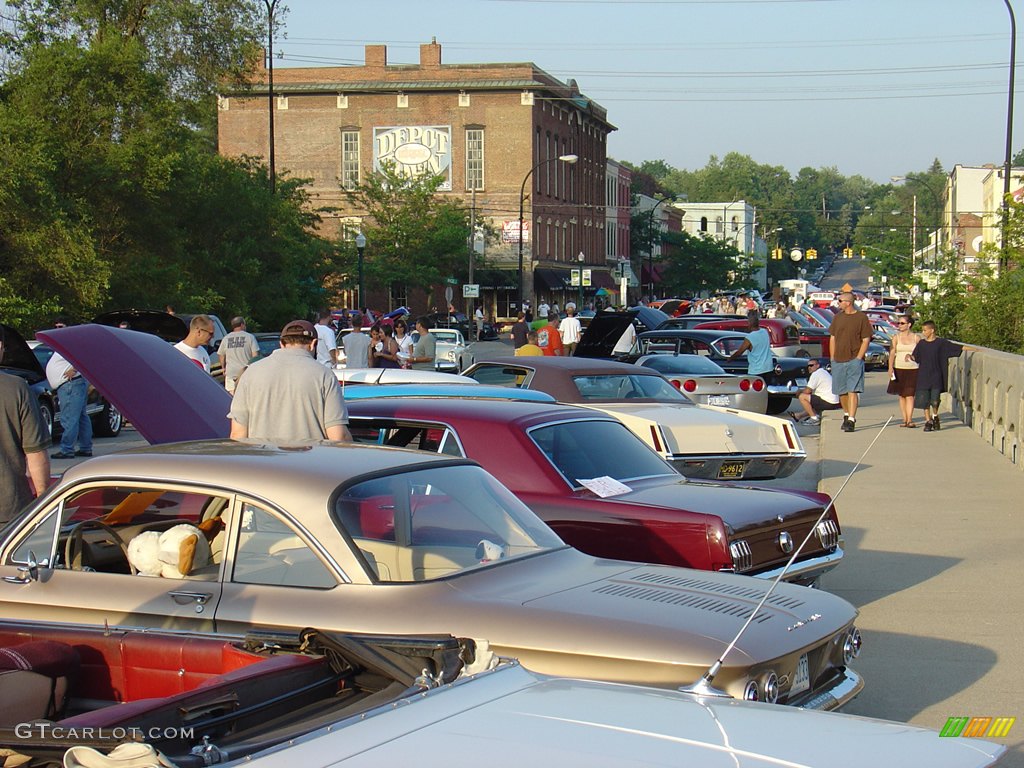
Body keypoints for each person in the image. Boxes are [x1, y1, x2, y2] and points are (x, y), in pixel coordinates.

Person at [229, 320, 350, 442]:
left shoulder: (250, 373)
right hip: (309, 459)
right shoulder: (325, 375)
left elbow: (237, 434)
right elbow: (338, 436)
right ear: (313, 344)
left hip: (262, 459)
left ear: (281, 343)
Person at [0, 340, 51, 523]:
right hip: (9, 509)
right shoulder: (17, 388)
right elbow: (36, 453)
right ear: (0, 347)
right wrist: (44, 500)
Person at [910, 320, 966, 432]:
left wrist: (974, 350)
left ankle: (935, 416)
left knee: (935, 400)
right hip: (923, 375)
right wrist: (910, 357)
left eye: (925, 330)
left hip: (936, 375)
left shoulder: (941, 343)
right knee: (924, 400)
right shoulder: (921, 344)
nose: (923, 332)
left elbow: (956, 348)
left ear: (932, 330)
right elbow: (916, 356)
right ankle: (928, 421)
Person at [828, 291, 872, 433]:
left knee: (853, 390)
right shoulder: (837, 318)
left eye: (840, 301)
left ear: (848, 302)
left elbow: (866, 339)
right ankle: (846, 414)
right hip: (838, 359)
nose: (838, 303)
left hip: (854, 358)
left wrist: (859, 357)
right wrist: (832, 357)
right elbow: (833, 338)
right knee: (842, 391)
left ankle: (852, 419)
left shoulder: (861, 318)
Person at [46, 351, 93, 459]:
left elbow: (82, 355)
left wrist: (75, 369)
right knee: (81, 417)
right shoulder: (67, 344)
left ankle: (67, 449)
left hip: (70, 384)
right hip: (74, 383)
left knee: (69, 418)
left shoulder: (70, 343)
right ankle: (85, 448)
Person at [887, 314, 921, 428]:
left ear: (909, 324)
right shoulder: (896, 337)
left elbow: (921, 354)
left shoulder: (916, 338)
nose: (899, 325)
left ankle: (910, 420)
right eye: (898, 323)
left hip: (913, 369)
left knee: (910, 395)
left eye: (902, 323)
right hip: (899, 368)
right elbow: (892, 353)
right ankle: (904, 419)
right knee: (902, 395)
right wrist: (890, 367)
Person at [791, 359, 841, 424]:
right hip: (834, 402)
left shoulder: (816, 374)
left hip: (828, 402)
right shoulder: (823, 372)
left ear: (818, 365)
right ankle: (798, 416)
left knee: (802, 397)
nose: (809, 367)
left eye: (811, 365)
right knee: (812, 404)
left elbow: (807, 391)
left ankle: (814, 418)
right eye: (808, 366)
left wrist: (799, 392)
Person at [218, 316, 259, 394]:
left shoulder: (226, 338)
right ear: (242, 325)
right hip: (246, 373)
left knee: (231, 397)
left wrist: (223, 368)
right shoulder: (250, 337)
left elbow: (221, 354)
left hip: (231, 373)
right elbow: (255, 355)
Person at [727, 310, 773, 377]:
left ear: (749, 324)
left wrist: (730, 359)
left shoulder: (750, 337)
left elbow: (739, 352)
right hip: (768, 368)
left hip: (756, 370)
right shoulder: (765, 332)